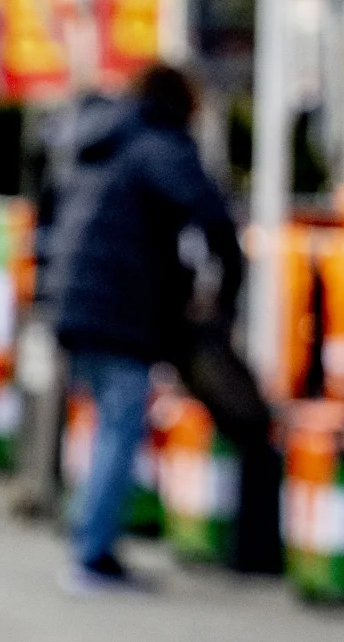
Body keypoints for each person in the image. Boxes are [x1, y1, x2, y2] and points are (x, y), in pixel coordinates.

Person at [45, 62, 244, 596]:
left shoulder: (104, 139)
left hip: (74, 306)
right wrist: (225, 295)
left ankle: (89, 536)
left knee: (104, 426)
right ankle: (92, 554)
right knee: (119, 427)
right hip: (117, 312)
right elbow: (214, 218)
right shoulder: (160, 146)